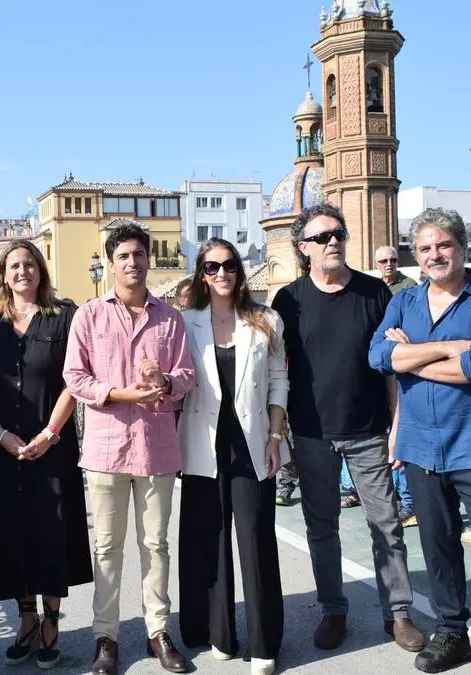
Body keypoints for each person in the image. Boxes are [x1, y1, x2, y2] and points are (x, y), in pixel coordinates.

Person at [369, 207, 471, 675]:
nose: (434, 255)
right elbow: (378, 354)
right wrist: (446, 348)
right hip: (421, 447)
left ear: (462, 247)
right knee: (438, 547)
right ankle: (452, 632)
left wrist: (410, 358)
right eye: (425, 248)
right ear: (415, 256)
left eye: (443, 245)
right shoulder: (404, 302)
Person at [271, 203, 423, 654]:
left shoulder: (377, 293)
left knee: (387, 524)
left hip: (369, 429)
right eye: (322, 237)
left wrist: (399, 425)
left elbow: (393, 369)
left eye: (338, 233)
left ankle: (398, 614)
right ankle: (333, 609)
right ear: (304, 248)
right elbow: (278, 367)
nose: (333, 241)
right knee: (322, 527)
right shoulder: (288, 300)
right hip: (312, 433)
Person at [63, 223, 196, 675]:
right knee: (107, 546)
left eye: (139, 254)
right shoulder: (90, 315)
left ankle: (159, 631)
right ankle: (106, 636)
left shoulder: (170, 318)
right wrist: (118, 394)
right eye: (123, 256)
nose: (132, 263)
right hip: (105, 448)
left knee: (156, 544)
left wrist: (166, 383)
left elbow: (186, 375)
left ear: (148, 258)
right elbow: (75, 377)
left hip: (156, 447)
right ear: (111, 262)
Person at [0, 241, 92, 670]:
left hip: (52, 446)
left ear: (41, 271)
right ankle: (25, 619)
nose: (22, 271)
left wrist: (50, 432)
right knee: (12, 533)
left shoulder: (65, 316)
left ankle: (51, 621)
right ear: (3, 275)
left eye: (29, 265)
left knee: (51, 532)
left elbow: (74, 381)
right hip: (4, 448)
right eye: (14, 266)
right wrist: (0, 434)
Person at [176, 239, 286, 675]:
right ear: (201, 274)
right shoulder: (185, 323)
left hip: (253, 441)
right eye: (211, 267)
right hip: (202, 442)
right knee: (210, 538)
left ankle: (264, 642)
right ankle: (219, 633)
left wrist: (276, 435)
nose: (221, 274)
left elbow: (279, 380)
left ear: (240, 271)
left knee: (256, 540)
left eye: (228, 265)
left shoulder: (266, 320)